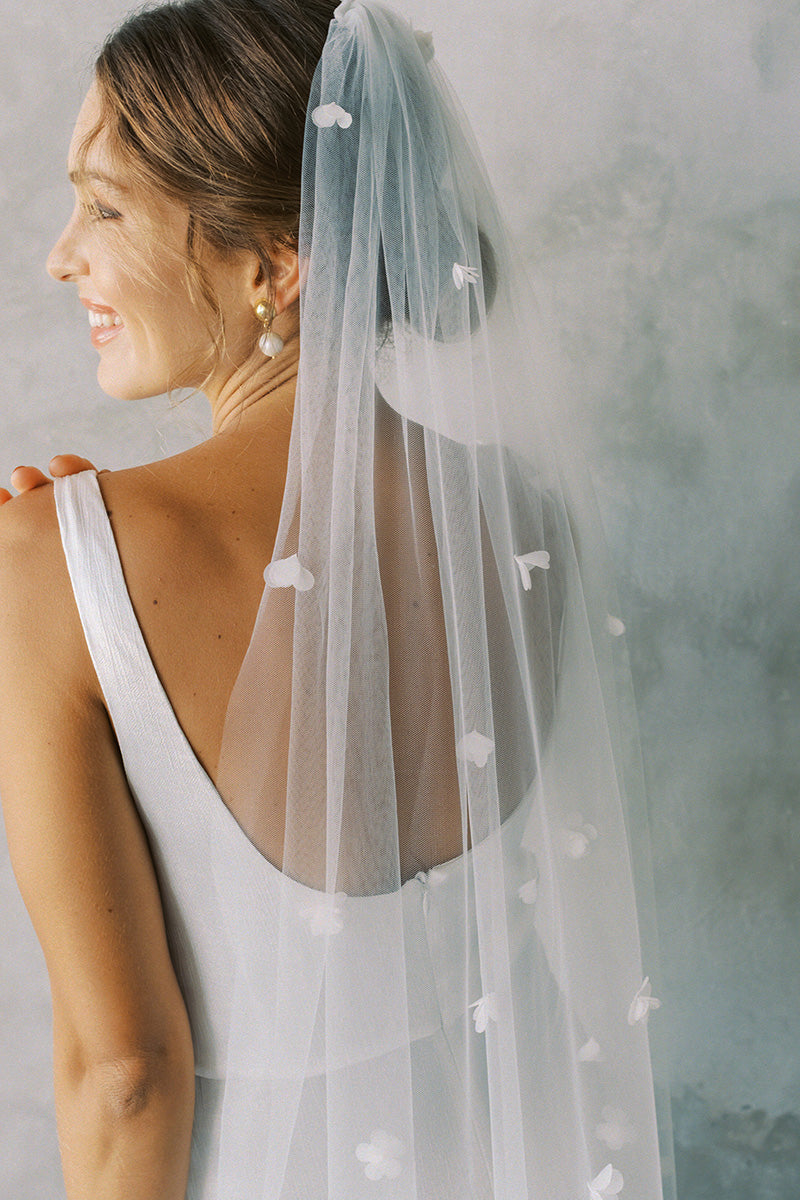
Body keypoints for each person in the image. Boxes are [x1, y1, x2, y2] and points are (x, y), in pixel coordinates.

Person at [0, 2, 672, 1198]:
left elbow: (126, 1076)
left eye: (104, 208)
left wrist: (67, 568)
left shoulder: (50, 562)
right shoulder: (519, 519)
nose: (61, 257)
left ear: (273, 265)